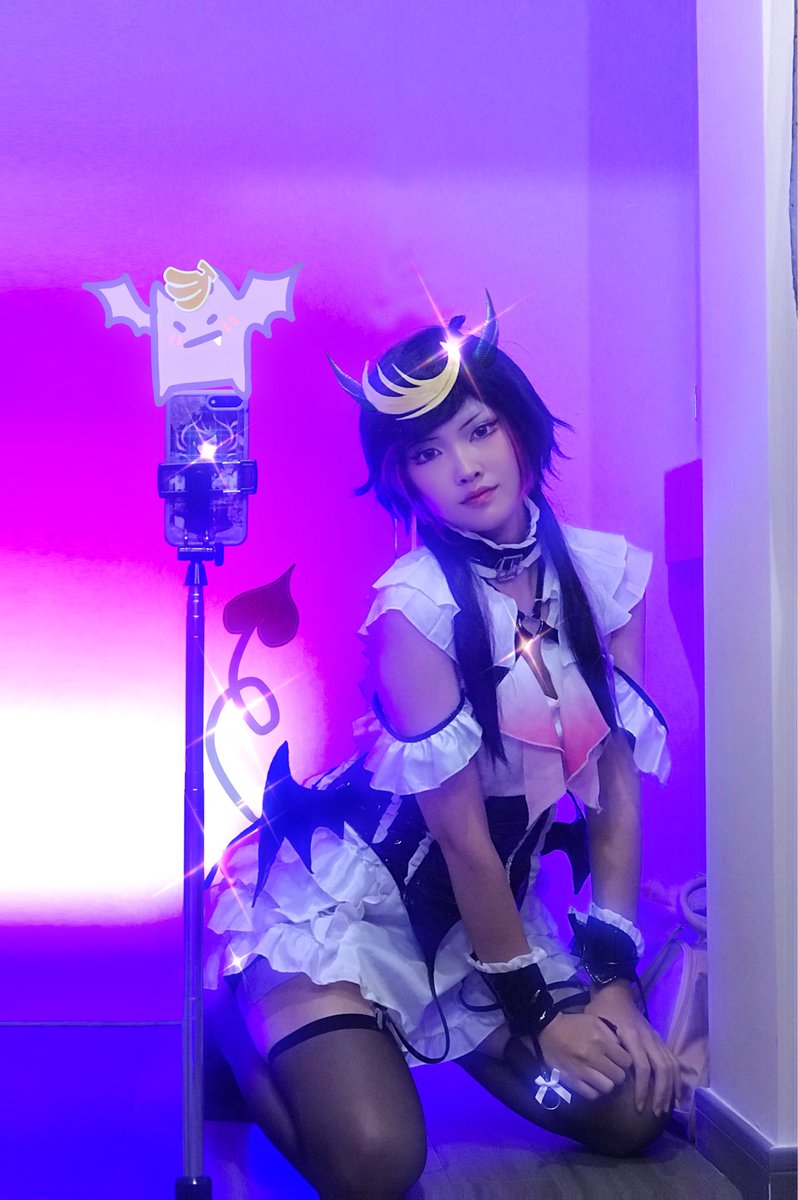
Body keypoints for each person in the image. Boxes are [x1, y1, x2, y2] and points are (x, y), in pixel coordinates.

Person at [204, 297, 677, 1200]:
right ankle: (231, 1021)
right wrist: (537, 1015)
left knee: (632, 1111)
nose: (463, 467)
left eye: (480, 430)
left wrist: (613, 982)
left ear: (519, 427)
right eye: (427, 452)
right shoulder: (413, 608)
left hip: (478, 928)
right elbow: (460, 839)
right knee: (378, 1165)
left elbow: (614, 792)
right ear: (405, 479)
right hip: (352, 919)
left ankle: (435, 1029)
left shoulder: (606, 574)